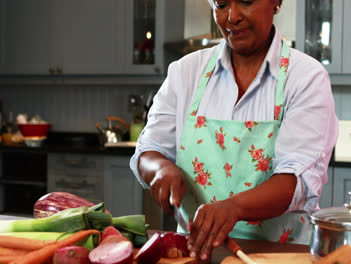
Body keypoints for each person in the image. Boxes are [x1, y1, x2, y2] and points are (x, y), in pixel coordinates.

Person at [130, 0, 339, 261]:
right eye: (221, 4)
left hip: (279, 255)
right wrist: (161, 169)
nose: (232, 17)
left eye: (247, 1)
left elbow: (295, 182)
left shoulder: (305, 78)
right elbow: (149, 150)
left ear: (276, 2)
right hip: (194, 254)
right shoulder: (185, 73)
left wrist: (233, 208)